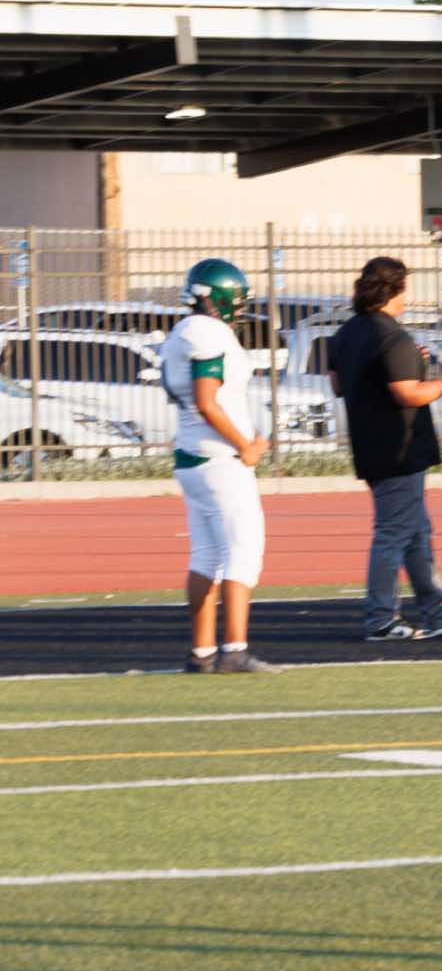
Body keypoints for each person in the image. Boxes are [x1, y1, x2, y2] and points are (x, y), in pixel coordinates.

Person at [328, 257, 442, 643]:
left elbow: (339, 384)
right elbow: (408, 393)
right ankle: (381, 619)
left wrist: (411, 364)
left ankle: (437, 613)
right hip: (398, 448)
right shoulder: (391, 335)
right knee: (392, 534)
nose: (407, 298)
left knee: (416, 532)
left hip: (370, 447)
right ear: (393, 291)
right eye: (404, 290)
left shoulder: (346, 333)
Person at [159, 258, 280, 674]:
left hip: (193, 455)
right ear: (219, 298)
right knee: (243, 553)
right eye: (237, 299)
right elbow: (207, 400)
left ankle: (202, 652)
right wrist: (245, 445)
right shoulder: (207, 332)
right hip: (219, 460)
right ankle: (234, 650)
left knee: (206, 556)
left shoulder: (182, 331)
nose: (241, 307)